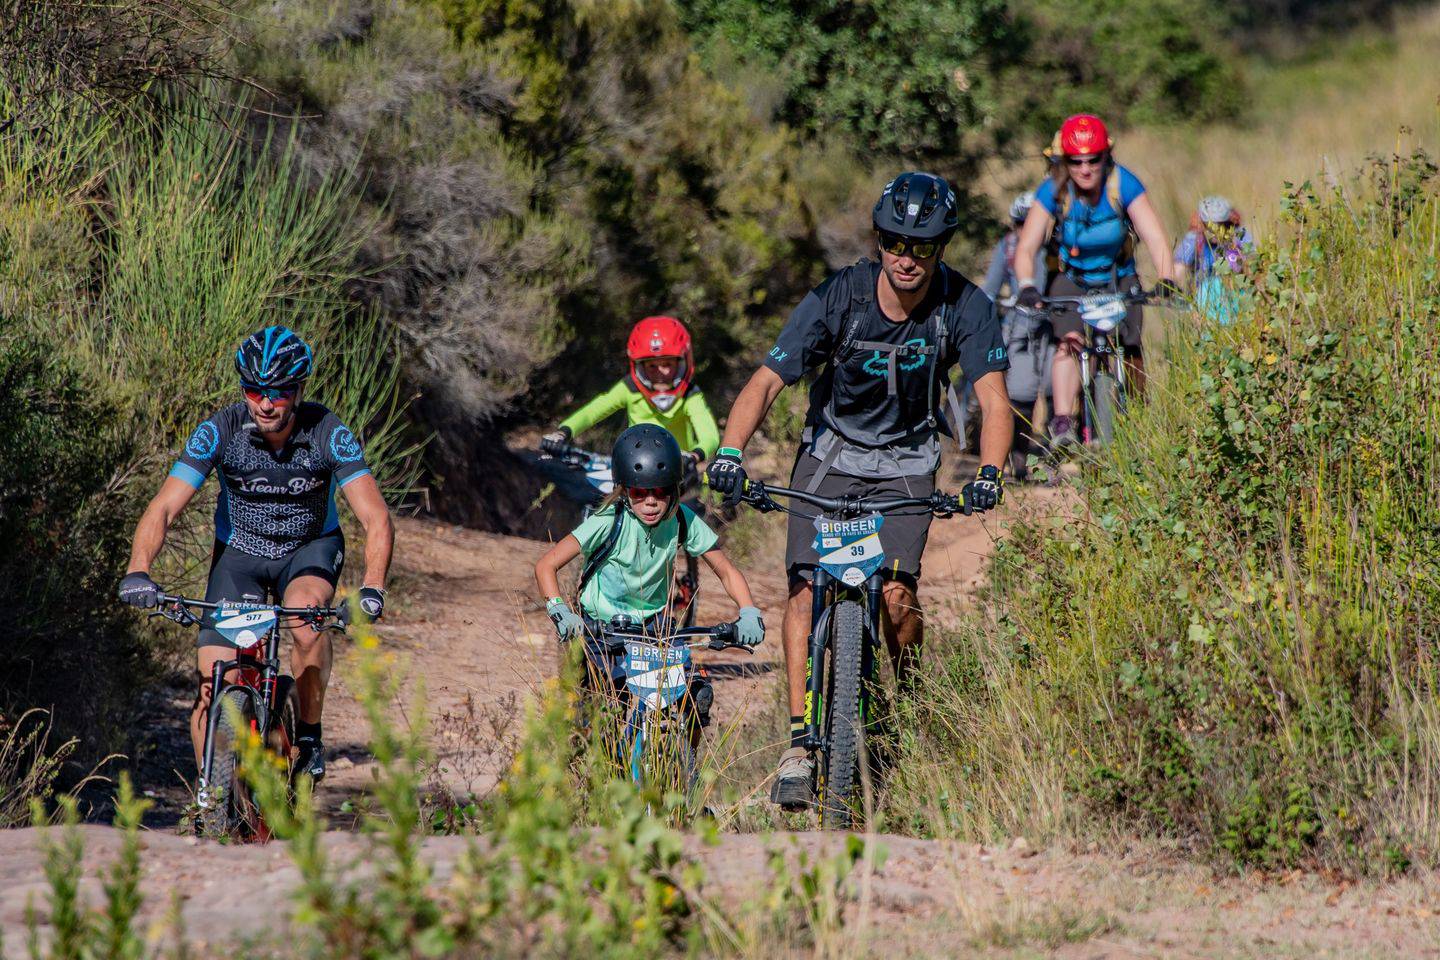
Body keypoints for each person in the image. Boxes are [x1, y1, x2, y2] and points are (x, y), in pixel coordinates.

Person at [705, 171, 1013, 810]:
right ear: (878, 239)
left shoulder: (967, 306)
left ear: (942, 248)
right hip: (831, 458)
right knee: (804, 588)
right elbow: (766, 381)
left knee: (897, 602)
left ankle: (903, 714)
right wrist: (730, 454)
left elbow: (992, 396)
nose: (907, 258)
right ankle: (798, 742)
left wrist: (989, 473)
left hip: (907, 462)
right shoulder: (838, 298)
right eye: (896, 242)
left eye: (923, 247)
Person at [117, 326, 395, 782]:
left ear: (299, 390)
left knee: (307, 618)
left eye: (280, 392)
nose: (266, 403)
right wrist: (138, 570)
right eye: (254, 390)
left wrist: (372, 587)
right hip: (240, 554)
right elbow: (163, 506)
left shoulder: (328, 431)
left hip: (309, 548)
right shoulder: (220, 430)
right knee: (212, 684)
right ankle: (212, 799)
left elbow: (376, 517)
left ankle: (307, 734)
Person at [535, 424, 764, 728]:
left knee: (691, 699)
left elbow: (726, 570)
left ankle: (685, 768)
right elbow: (546, 565)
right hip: (600, 630)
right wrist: (559, 610)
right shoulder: (608, 520)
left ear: (673, 490)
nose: (651, 502)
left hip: (653, 628)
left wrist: (748, 611)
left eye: (659, 492)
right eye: (640, 493)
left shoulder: (682, 519)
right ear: (625, 490)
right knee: (598, 723)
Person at [1012, 114, 1178, 445]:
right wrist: (1028, 286)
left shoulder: (1123, 184)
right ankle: (1062, 423)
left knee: (1130, 345)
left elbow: (1156, 237)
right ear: (1065, 162)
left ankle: (1136, 419)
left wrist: (1167, 278)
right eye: (1075, 161)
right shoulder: (1054, 191)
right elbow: (1026, 247)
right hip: (1072, 277)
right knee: (1069, 342)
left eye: (1093, 159)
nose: (1085, 169)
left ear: (1107, 157)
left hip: (1118, 274)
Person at [543, 316, 720, 477]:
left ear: (682, 363)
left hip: (677, 471)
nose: (661, 373)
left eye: (667, 364)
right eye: (652, 366)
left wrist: (695, 455)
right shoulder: (629, 388)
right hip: (634, 468)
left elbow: (709, 434)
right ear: (640, 367)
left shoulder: (690, 394)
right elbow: (593, 412)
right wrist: (563, 432)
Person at [982, 191, 1051, 478]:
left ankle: (1050, 454)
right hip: (1020, 325)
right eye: (1020, 223)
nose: (1026, 229)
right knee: (1021, 392)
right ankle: (1018, 459)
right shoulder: (1008, 247)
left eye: (1032, 222)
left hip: (1053, 324)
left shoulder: (1056, 248)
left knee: (1053, 389)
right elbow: (990, 288)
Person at [1174, 195, 1255, 325]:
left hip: (1235, 296)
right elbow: (1178, 269)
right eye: (1210, 225)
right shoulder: (1194, 240)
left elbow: (1252, 267)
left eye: (1220, 225)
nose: (1215, 230)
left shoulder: (1240, 236)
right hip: (1203, 301)